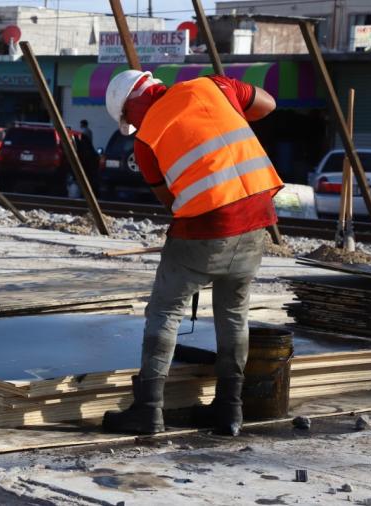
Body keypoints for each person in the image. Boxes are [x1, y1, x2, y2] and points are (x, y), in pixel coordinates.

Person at [100, 70, 283, 437]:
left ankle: (148, 410)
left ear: (134, 103)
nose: (134, 126)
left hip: (205, 228)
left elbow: (171, 201)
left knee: (165, 311)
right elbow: (268, 104)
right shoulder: (214, 85)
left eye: (129, 118)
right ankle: (229, 409)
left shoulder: (146, 141)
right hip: (257, 218)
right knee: (233, 314)